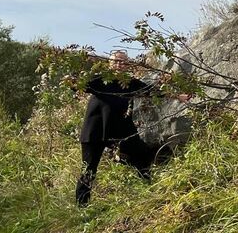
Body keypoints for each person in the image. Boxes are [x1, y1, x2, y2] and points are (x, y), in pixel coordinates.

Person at [75, 50, 189, 206]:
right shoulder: (99, 79)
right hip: (94, 132)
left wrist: (178, 96)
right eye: (116, 61)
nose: (119, 64)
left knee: (142, 154)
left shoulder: (130, 83)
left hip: (120, 131)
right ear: (109, 63)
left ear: (127, 65)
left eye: (123, 61)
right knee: (89, 170)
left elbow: (152, 91)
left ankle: (148, 189)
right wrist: (72, 78)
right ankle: (82, 206)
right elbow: (77, 85)